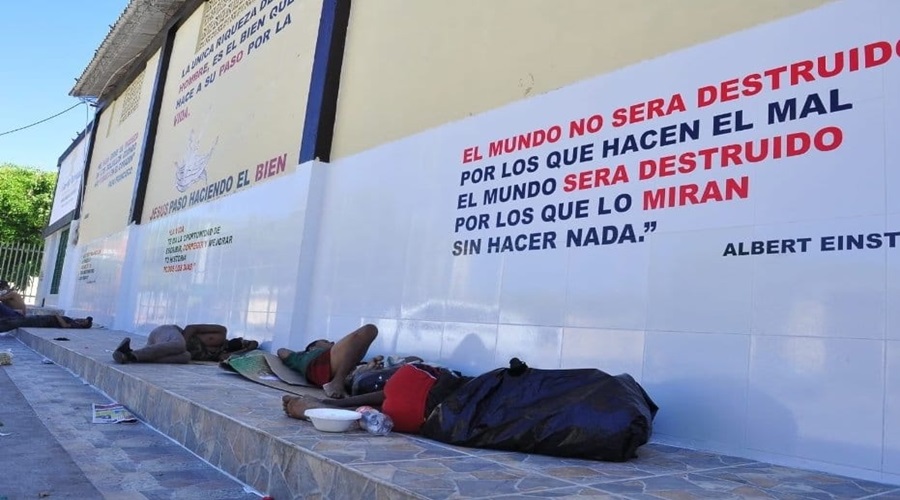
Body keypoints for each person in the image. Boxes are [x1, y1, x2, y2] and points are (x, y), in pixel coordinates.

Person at [282, 362, 471, 433]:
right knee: (392, 405)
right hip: (424, 397)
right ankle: (328, 407)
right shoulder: (309, 357)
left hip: (423, 390)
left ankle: (327, 407)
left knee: (396, 401)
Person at [276, 324, 378, 399]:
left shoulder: (345, 360)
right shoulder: (301, 358)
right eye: (325, 342)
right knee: (370, 329)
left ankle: (362, 372)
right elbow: (281, 351)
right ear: (312, 348)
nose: (332, 342)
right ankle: (337, 382)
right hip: (321, 365)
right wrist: (301, 353)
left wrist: (368, 366)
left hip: (343, 373)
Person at [113, 323, 229, 364]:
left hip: (159, 348)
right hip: (167, 333)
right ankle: (129, 354)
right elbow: (191, 328)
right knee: (180, 345)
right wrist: (183, 344)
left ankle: (129, 356)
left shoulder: (217, 356)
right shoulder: (221, 331)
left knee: (185, 357)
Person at [0, 314, 93, 333]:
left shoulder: (75, 325)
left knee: (16, 322)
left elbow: (64, 325)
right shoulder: (74, 320)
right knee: (14, 319)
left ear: (83, 325)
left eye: (84, 321)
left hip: (44, 321)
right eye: (83, 319)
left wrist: (57, 316)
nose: (81, 319)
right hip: (43, 318)